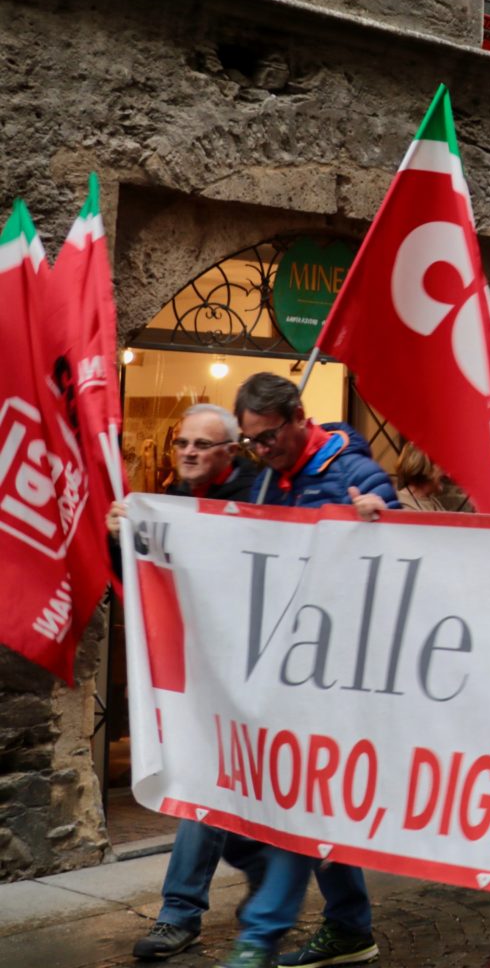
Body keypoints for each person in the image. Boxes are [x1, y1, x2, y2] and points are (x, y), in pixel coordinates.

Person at [221, 373, 396, 968]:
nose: (261, 451)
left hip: (336, 671)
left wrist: (380, 519)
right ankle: (348, 924)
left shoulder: (352, 471)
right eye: (251, 443)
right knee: (285, 803)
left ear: (298, 416)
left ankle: (266, 934)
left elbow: (407, 552)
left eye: (268, 438)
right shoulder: (270, 479)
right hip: (284, 666)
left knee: (302, 800)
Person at [111, 406, 267, 961]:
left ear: (230, 451)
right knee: (210, 789)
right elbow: (148, 576)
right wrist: (121, 537)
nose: (188, 451)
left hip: (250, 676)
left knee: (212, 790)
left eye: (203, 444)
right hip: (197, 675)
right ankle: (255, 875)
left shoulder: (260, 495)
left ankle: (183, 911)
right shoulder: (170, 501)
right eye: (182, 442)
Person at [392, 443, 452, 512]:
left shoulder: (432, 501)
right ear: (429, 468)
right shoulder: (402, 506)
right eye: (443, 466)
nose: (448, 474)